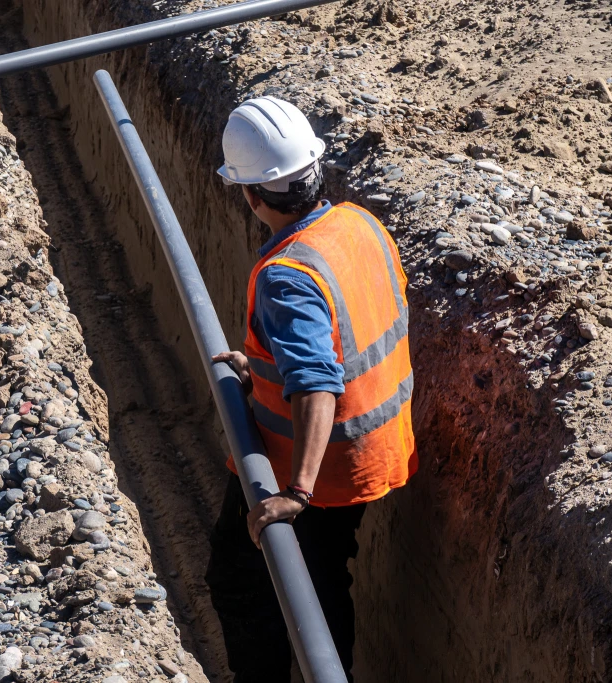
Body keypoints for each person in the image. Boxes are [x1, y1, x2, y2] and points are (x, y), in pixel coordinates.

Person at [204, 96, 417, 682]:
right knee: (323, 587)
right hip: (373, 449)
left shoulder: (287, 275)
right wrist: (263, 367)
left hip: (319, 473)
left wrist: (294, 493)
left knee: (243, 583)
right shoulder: (358, 225)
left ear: (249, 195)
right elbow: (342, 338)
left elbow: (318, 383)